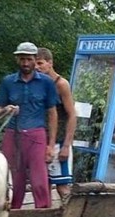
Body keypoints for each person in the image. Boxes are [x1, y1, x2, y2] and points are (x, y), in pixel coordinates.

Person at [0, 42, 59, 209]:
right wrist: (6, 110)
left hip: (36, 135)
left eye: (29, 59)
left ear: (34, 59)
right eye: (22, 59)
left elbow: (52, 114)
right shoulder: (8, 82)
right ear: (17, 59)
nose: (25, 63)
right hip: (13, 134)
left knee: (39, 181)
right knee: (12, 180)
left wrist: (51, 145)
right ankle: (11, 216)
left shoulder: (46, 83)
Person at [35, 47, 77, 201]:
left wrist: (66, 146)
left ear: (50, 63)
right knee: (42, 185)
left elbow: (72, 115)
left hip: (59, 142)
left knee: (62, 186)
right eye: (35, 64)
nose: (37, 67)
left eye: (40, 63)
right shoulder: (37, 83)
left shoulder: (61, 84)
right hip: (41, 140)